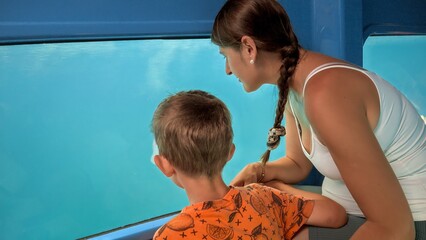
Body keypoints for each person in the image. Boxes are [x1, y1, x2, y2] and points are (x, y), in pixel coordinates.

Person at [211, 0, 426, 239]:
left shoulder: (325, 94)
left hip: (411, 221)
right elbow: (297, 164)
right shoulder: (294, 84)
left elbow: (395, 228)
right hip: (351, 208)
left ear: (249, 48)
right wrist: (258, 172)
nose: (227, 70)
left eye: (225, 56)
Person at [151, 90, 347, 240]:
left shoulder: (170, 234)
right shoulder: (264, 198)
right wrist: (277, 188)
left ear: (164, 165)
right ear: (230, 152)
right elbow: (335, 214)